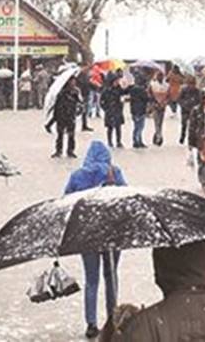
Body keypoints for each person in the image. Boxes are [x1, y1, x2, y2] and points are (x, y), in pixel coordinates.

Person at [65, 142, 126, 339]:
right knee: (111, 276)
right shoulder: (114, 172)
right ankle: (112, 319)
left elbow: (66, 202)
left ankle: (91, 323)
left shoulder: (77, 176)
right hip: (113, 233)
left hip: (88, 235)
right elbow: (126, 199)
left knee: (91, 280)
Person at [47, 73, 82, 157]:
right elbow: (57, 105)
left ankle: (70, 151)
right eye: (72, 81)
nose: (73, 83)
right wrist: (54, 118)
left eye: (74, 81)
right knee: (60, 135)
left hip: (71, 115)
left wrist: (79, 110)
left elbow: (80, 102)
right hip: (61, 115)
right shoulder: (61, 92)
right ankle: (58, 150)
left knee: (71, 135)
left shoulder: (76, 92)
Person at [100, 73, 126, 149]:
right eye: (116, 81)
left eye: (118, 81)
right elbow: (102, 101)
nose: (117, 82)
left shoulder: (120, 89)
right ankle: (110, 142)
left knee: (118, 127)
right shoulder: (106, 90)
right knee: (110, 128)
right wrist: (106, 109)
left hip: (118, 110)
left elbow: (123, 96)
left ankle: (118, 141)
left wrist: (121, 104)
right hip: (110, 111)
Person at [178, 76, 202, 146]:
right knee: (184, 124)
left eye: (193, 84)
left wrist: (196, 107)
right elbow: (179, 99)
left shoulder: (197, 91)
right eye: (190, 84)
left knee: (193, 125)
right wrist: (184, 105)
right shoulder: (184, 90)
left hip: (194, 110)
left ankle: (192, 138)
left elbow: (199, 100)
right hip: (185, 110)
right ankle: (182, 135)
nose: (191, 86)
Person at [149, 71, 170, 147]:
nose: (160, 78)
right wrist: (155, 103)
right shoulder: (153, 85)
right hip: (155, 106)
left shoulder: (166, 85)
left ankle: (157, 135)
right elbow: (150, 95)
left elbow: (168, 96)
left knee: (160, 122)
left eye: (161, 76)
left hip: (162, 106)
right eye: (158, 76)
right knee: (157, 121)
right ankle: (159, 136)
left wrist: (164, 102)